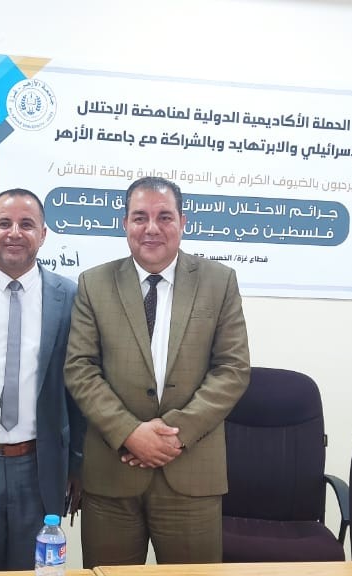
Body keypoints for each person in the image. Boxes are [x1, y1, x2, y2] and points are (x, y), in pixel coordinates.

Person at [64, 176, 251, 567]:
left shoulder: (219, 282)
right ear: (125, 224)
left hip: (191, 473)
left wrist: (175, 434)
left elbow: (232, 369)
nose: (151, 228)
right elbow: (80, 369)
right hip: (112, 475)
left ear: (183, 222)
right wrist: (130, 433)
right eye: (140, 217)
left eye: (164, 216)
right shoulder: (94, 284)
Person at [0, 189, 86, 571]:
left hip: (40, 466)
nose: (14, 232)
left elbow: (79, 387)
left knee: (34, 569)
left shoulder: (70, 296)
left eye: (26, 224)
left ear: (43, 234)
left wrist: (77, 463)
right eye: (4, 223)